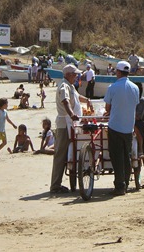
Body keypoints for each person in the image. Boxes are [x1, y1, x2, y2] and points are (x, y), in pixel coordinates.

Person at [50, 64, 92, 194]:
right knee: (60, 154)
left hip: (72, 123)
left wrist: (87, 100)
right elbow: (65, 101)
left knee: (71, 151)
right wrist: (71, 114)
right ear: (68, 75)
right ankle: (55, 185)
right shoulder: (63, 86)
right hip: (64, 123)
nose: (76, 76)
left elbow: (77, 96)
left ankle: (63, 182)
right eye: (75, 74)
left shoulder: (70, 85)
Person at [104, 61, 139, 196]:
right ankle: (125, 183)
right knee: (126, 156)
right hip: (129, 127)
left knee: (117, 156)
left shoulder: (112, 87)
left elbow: (107, 108)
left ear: (118, 72)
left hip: (115, 126)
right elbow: (134, 105)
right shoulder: (135, 88)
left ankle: (119, 186)